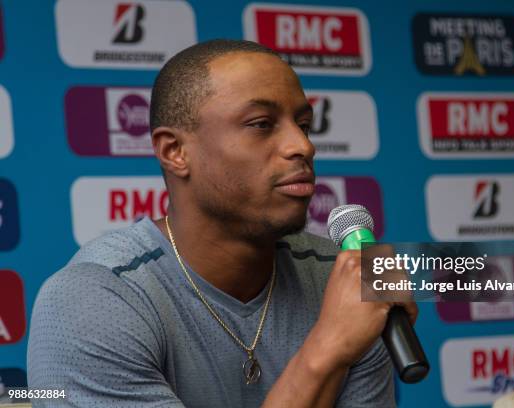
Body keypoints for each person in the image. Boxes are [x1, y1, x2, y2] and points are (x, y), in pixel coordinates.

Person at [27, 39, 418, 407]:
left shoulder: (343, 276)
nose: (303, 145)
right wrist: (329, 347)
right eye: (261, 124)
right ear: (175, 151)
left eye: (304, 124)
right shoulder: (94, 300)